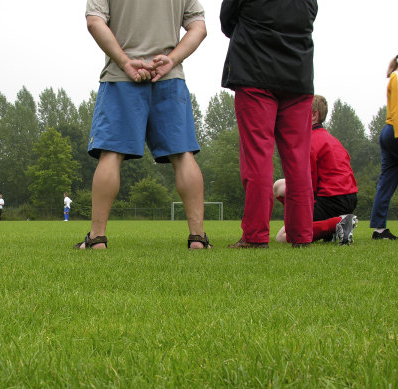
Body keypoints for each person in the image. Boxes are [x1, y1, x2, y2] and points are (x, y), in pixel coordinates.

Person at [76, 0, 211, 250]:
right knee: (183, 155)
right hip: (169, 77)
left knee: (111, 154)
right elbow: (199, 27)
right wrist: (172, 60)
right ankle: (198, 239)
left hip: (120, 77)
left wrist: (126, 62)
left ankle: (96, 239)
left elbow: (95, 22)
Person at [220, 0, 317, 248]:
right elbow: (309, 17)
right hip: (298, 76)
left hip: (255, 73)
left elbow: (227, 20)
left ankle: (255, 235)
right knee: (299, 161)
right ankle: (302, 235)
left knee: (257, 158)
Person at [273, 95, 358, 245]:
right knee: (279, 185)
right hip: (347, 199)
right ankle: (330, 230)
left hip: (330, 200)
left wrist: (302, 216)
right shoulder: (332, 139)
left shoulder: (310, 141)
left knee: (283, 236)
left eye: (300, 112)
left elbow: (307, 184)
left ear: (313, 115)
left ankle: (338, 223)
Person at [370, 55, 398, 240]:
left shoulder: (394, 75)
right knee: (386, 180)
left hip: (389, 130)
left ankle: (379, 230)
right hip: (395, 130)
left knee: (387, 180)